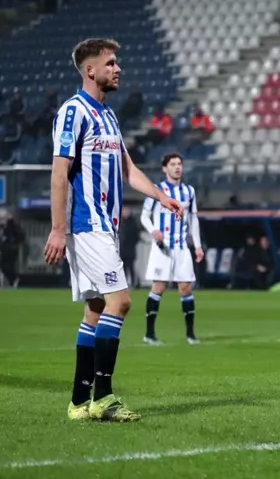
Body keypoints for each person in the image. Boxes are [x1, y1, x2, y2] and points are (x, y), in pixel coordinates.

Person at [43, 38, 183, 422]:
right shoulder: (73, 112)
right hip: (87, 225)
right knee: (120, 302)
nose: (118, 69)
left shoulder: (108, 116)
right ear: (90, 71)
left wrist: (160, 195)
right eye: (111, 63)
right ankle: (103, 398)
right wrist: (57, 229)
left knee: (96, 308)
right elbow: (59, 173)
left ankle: (78, 402)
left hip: (106, 226)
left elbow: (127, 169)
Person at [140, 152, 204, 345]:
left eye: (179, 164)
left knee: (185, 288)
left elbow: (193, 219)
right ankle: (149, 334)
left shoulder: (189, 192)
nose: (177, 167)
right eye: (173, 164)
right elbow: (144, 216)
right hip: (162, 246)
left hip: (182, 246)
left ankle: (191, 334)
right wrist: (153, 231)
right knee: (158, 287)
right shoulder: (156, 190)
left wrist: (198, 245)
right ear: (164, 168)